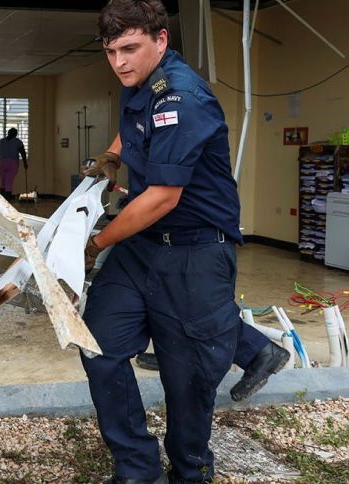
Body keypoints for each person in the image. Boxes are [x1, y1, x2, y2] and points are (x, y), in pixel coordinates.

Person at [78, 0, 261, 483]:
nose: (118, 63)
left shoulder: (183, 96)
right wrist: (111, 159)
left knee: (188, 379)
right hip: (143, 248)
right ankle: (137, 468)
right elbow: (131, 129)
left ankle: (189, 470)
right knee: (98, 344)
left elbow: (161, 197)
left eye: (129, 50)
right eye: (111, 52)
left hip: (196, 251)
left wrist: (94, 244)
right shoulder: (138, 83)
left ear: (161, 40)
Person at [87, 134, 289, 402]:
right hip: (158, 223)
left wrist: (97, 243)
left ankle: (259, 350)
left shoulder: (183, 102)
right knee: (168, 301)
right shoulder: (138, 97)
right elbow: (132, 120)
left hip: (188, 224)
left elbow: (166, 192)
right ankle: (251, 349)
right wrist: (112, 154)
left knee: (194, 309)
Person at [0, 127, 27, 200]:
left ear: (8, 133)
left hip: (1, 163)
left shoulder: (1, 141)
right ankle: (7, 200)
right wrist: (25, 163)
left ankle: (2, 200)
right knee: (9, 181)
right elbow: (23, 153)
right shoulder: (17, 141)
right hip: (12, 163)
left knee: (3, 181)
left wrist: (1, 160)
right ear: (15, 134)